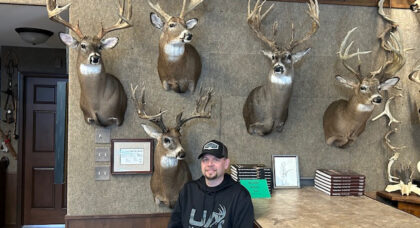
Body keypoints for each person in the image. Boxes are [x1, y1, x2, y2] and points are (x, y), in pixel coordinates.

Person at [168, 140, 255, 228]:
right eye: (205, 159)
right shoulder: (188, 190)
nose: (209, 164)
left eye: (216, 159)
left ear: (226, 164)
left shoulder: (240, 195)